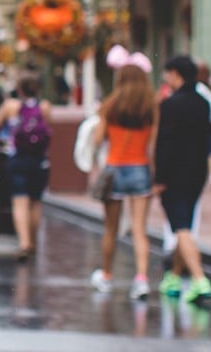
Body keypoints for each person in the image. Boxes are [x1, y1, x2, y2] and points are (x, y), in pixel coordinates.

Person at [89, 61, 158, 300]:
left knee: (111, 228)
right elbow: (153, 146)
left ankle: (107, 276)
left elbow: (98, 140)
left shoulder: (111, 105)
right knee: (139, 229)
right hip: (140, 168)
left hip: (114, 168)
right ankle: (141, 280)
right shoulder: (150, 107)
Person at [155, 55, 211, 304]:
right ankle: (175, 277)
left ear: (176, 74)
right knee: (184, 226)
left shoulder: (170, 105)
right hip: (197, 173)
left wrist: (160, 177)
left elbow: (165, 144)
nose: (166, 78)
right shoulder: (203, 103)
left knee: (180, 227)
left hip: (175, 174)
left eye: (168, 73)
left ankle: (200, 279)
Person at [0, 72, 52, 262]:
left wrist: (0, 141)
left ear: (19, 89)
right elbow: (48, 131)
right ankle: (32, 242)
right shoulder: (45, 107)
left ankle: (24, 243)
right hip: (39, 161)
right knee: (35, 202)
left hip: (17, 160)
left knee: (19, 201)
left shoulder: (10, 107)